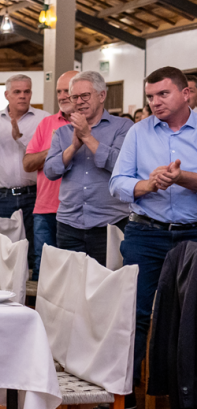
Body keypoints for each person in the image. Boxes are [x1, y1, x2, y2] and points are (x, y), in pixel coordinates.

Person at [108, 66, 197, 409]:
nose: (155, 102)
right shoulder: (138, 132)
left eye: (163, 94)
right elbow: (117, 183)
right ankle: (123, 390)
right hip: (146, 232)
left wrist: (182, 178)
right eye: (150, 96)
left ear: (185, 93)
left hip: (193, 234)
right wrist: (149, 184)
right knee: (133, 311)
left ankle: (190, 393)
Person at [43, 70, 131, 265]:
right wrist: (74, 146)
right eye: (75, 97)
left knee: (106, 287)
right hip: (68, 224)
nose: (79, 101)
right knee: (71, 286)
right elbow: (50, 171)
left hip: (110, 224)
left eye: (85, 95)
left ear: (102, 96)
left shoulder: (123, 127)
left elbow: (120, 165)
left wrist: (88, 138)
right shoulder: (63, 132)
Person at [0, 75, 44, 273]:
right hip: (2, 195)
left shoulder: (43, 119)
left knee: (33, 249)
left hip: (33, 194)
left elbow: (45, 157)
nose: (23, 96)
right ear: (7, 95)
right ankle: (0, 291)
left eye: (27, 91)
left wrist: (19, 139)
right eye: (17, 92)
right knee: (2, 250)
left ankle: (29, 297)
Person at [24, 71, 79, 258]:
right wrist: (56, 150)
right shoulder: (47, 123)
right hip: (45, 209)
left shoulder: (93, 124)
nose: (62, 96)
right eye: (59, 91)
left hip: (77, 212)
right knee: (43, 271)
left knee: (73, 270)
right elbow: (28, 164)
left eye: (67, 90)